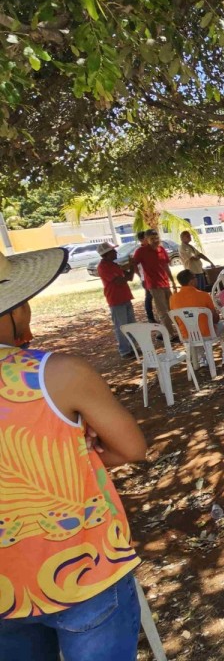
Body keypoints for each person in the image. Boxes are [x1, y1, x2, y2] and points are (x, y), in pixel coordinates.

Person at [0, 246, 148, 660]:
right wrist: (78, 458)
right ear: (15, 309)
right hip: (83, 569)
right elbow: (132, 447)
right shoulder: (57, 373)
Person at [170, 269, 224, 357]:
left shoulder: (173, 298)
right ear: (191, 281)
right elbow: (215, 319)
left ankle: (202, 358)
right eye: (195, 277)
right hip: (206, 333)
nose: (197, 279)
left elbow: (177, 319)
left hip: (186, 335)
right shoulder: (204, 295)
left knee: (193, 326)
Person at [132, 228, 178, 337]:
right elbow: (134, 264)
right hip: (153, 284)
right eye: (152, 238)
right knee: (162, 310)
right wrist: (141, 278)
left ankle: (163, 332)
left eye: (156, 238)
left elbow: (166, 266)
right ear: (147, 239)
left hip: (165, 282)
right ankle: (170, 335)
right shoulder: (141, 251)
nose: (155, 240)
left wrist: (172, 281)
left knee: (171, 308)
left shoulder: (161, 249)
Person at [96, 241, 136, 358]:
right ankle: (124, 350)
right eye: (113, 251)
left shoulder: (114, 265)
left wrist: (132, 266)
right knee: (121, 326)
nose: (115, 252)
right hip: (116, 299)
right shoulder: (103, 267)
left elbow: (129, 277)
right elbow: (120, 281)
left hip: (125, 297)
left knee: (131, 324)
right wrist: (129, 267)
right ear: (106, 254)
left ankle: (132, 347)